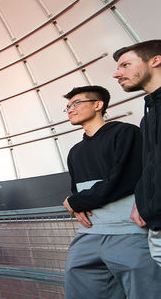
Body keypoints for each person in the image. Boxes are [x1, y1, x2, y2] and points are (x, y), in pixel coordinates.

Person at [61, 85, 161, 299]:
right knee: (78, 286)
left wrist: (75, 201)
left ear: (98, 105)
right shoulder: (75, 152)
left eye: (76, 103)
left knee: (145, 291)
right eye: (67, 106)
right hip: (88, 234)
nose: (70, 109)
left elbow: (123, 180)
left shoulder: (126, 132)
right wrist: (75, 202)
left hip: (128, 232)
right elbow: (76, 192)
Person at [113, 39, 161, 266]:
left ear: (155, 60)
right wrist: (142, 200)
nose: (117, 73)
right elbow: (151, 166)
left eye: (125, 65)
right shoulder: (148, 116)